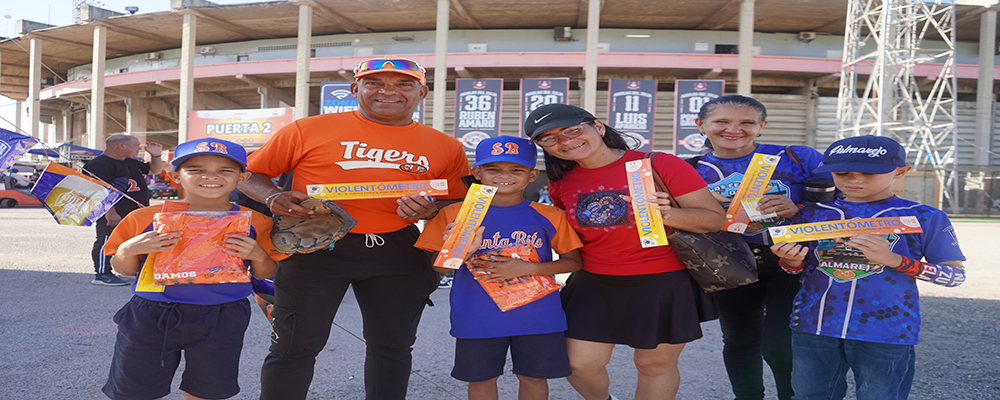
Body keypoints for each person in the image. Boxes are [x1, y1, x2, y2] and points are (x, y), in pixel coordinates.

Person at [237, 57, 472, 400]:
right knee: (294, 346)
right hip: (315, 245)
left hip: (399, 250)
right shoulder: (307, 129)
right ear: (355, 88)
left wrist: (431, 209)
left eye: (403, 84)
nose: (388, 91)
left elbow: (458, 202)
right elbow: (249, 175)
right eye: (374, 82)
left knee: (392, 348)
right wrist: (273, 197)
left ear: (421, 92)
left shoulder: (446, 146)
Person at [524, 103, 725, 400]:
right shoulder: (560, 181)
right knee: (577, 364)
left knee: (653, 364)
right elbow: (566, 235)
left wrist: (667, 213)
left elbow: (714, 219)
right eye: (550, 138)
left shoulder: (660, 164)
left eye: (572, 130)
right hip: (594, 282)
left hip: (662, 280)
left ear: (599, 127)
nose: (565, 141)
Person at [770, 135, 967, 400]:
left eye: (869, 173)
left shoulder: (925, 217)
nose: (854, 180)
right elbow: (799, 269)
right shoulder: (812, 214)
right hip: (813, 325)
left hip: (887, 330)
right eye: (842, 173)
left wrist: (895, 260)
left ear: (901, 171)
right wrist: (791, 262)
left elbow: (954, 277)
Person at [101, 138, 287, 400]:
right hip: (152, 313)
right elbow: (124, 268)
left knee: (208, 391)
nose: (210, 177)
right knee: (137, 391)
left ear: (243, 177)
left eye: (225, 170)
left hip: (224, 315)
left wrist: (257, 254)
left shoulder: (256, 221)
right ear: (176, 175)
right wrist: (126, 250)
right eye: (196, 169)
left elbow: (265, 273)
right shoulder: (144, 218)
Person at [414, 135, 584, 400]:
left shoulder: (550, 215)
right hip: (477, 317)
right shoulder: (455, 214)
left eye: (516, 169)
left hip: (537, 316)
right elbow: (439, 269)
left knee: (533, 376)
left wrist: (527, 269)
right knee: (482, 379)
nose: (504, 176)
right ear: (477, 172)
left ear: (531, 175)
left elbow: (574, 261)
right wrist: (460, 251)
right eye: (493, 169)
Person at [689, 94, 829, 400]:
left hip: (792, 259)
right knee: (740, 341)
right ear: (701, 125)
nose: (734, 129)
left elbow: (842, 205)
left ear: (762, 126)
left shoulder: (797, 157)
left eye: (747, 123)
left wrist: (799, 206)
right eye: (722, 121)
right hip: (727, 262)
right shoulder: (689, 168)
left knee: (780, 342)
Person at [84, 134, 163, 286]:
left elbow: (155, 169)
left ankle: (129, 270)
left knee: (134, 241)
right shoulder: (99, 164)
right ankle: (102, 274)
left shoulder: (129, 162)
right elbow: (98, 192)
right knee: (106, 241)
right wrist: (110, 212)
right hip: (114, 212)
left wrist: (156, 155)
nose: (139, 149)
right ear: (121, 146)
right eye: (136, 146)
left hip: (135, 211)